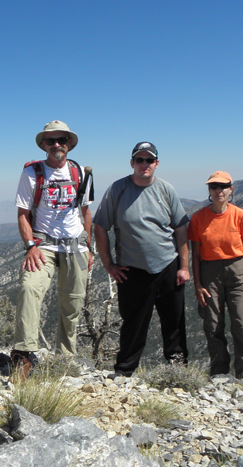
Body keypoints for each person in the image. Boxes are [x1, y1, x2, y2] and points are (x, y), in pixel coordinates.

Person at [94, 142, 190, 375]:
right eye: (140, 160)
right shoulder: (118, 189)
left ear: (156, 163)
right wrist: (108, 265)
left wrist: (184, 266)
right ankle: (125, 371)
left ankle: (178, 370)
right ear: (132, 163)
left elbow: (181, 228)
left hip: (168, 264)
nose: (144, 164)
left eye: (149, 160)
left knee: (174, 321)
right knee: (134, 323)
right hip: (132, 270)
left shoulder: (166, 189)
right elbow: (99, 226)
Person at [10, 121, 93, 374]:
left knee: (73, 304)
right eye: (51, 141)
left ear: (69, 144)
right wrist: (30, 246)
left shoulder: (80, 172)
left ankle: (65, 359)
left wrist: (89, 246)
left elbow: (86, 211)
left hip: (75, 245)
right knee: (29, 288)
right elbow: (23, 213)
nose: (57, 145)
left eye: (62, 140)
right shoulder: (32, 173)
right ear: (43, 145)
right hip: (43, 243)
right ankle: (23, 353)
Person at [188, 170, 243, 378]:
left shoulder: (240, 215)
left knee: (242, 324)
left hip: (237, 272)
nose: (218, 190)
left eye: (223, 186)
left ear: (231, 189)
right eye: (214, 187)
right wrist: (197, 285)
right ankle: (219, 373)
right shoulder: (198, 218)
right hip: (209, 273)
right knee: (213, 326)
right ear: (209, 190)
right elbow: (195, 255)